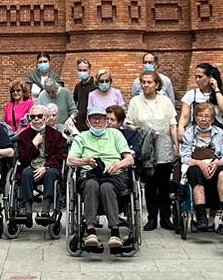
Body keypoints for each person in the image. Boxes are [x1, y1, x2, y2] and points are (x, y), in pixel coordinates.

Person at [67, 101, 137, 252]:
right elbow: (70, 160)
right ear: (88, 121)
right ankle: (91, 230)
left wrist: (118, 164)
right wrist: (85, 161)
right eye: (94, 118)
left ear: (106, 120)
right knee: (92, 185)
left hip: (114, 175)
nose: (97, 121)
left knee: (106, 186)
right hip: (90, 174)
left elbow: (129, 159)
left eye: (101, 118)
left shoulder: (115, 134)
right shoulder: (82, 137)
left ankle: (115, 232)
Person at [127, 70, 180, 231]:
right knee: (150, 182)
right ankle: (151, 217)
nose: (146, 85)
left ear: (157, 84)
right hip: (146, 144)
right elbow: (128, 123)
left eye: (149, 82)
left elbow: (172, 123)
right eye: (143, 82)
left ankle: (165, 217)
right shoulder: (135, 101)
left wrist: (176, 145)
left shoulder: (165, 101)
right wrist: (142, 131)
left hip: (163, 143)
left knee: (164, 182)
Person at [180, 101, 223, 231]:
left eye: (207, 116)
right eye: (200, 116)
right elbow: (185, 157)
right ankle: (202, 217)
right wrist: (199, 163)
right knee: (195, 172)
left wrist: (217, 162)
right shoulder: (189, 133)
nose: (203, 119)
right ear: (195, 117)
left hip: (216, 164)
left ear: (212, 118)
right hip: (196, 164)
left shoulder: (219, 133)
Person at [13, 103, 66, 221]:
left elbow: (60, 155)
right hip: (30, 167)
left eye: (39, 116)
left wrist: (46, 167)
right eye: (33, 117)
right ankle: (27, 211)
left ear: (46, 118)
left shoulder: (56, 135)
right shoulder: (24, 135)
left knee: (51, 173)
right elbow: (22, 158)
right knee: (26, 173)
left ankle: (45, 211)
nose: (36, 119)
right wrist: (33, 145)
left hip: (49, 167)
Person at [180, 63, 223, 133]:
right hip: (196, 134)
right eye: (196, 77)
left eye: (200, 77)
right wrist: (180, 128)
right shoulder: (191, 94)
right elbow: (184, 116)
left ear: (210, 77)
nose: (197, 80)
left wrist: (216, 89)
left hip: (216, 135)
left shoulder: (219, 95)